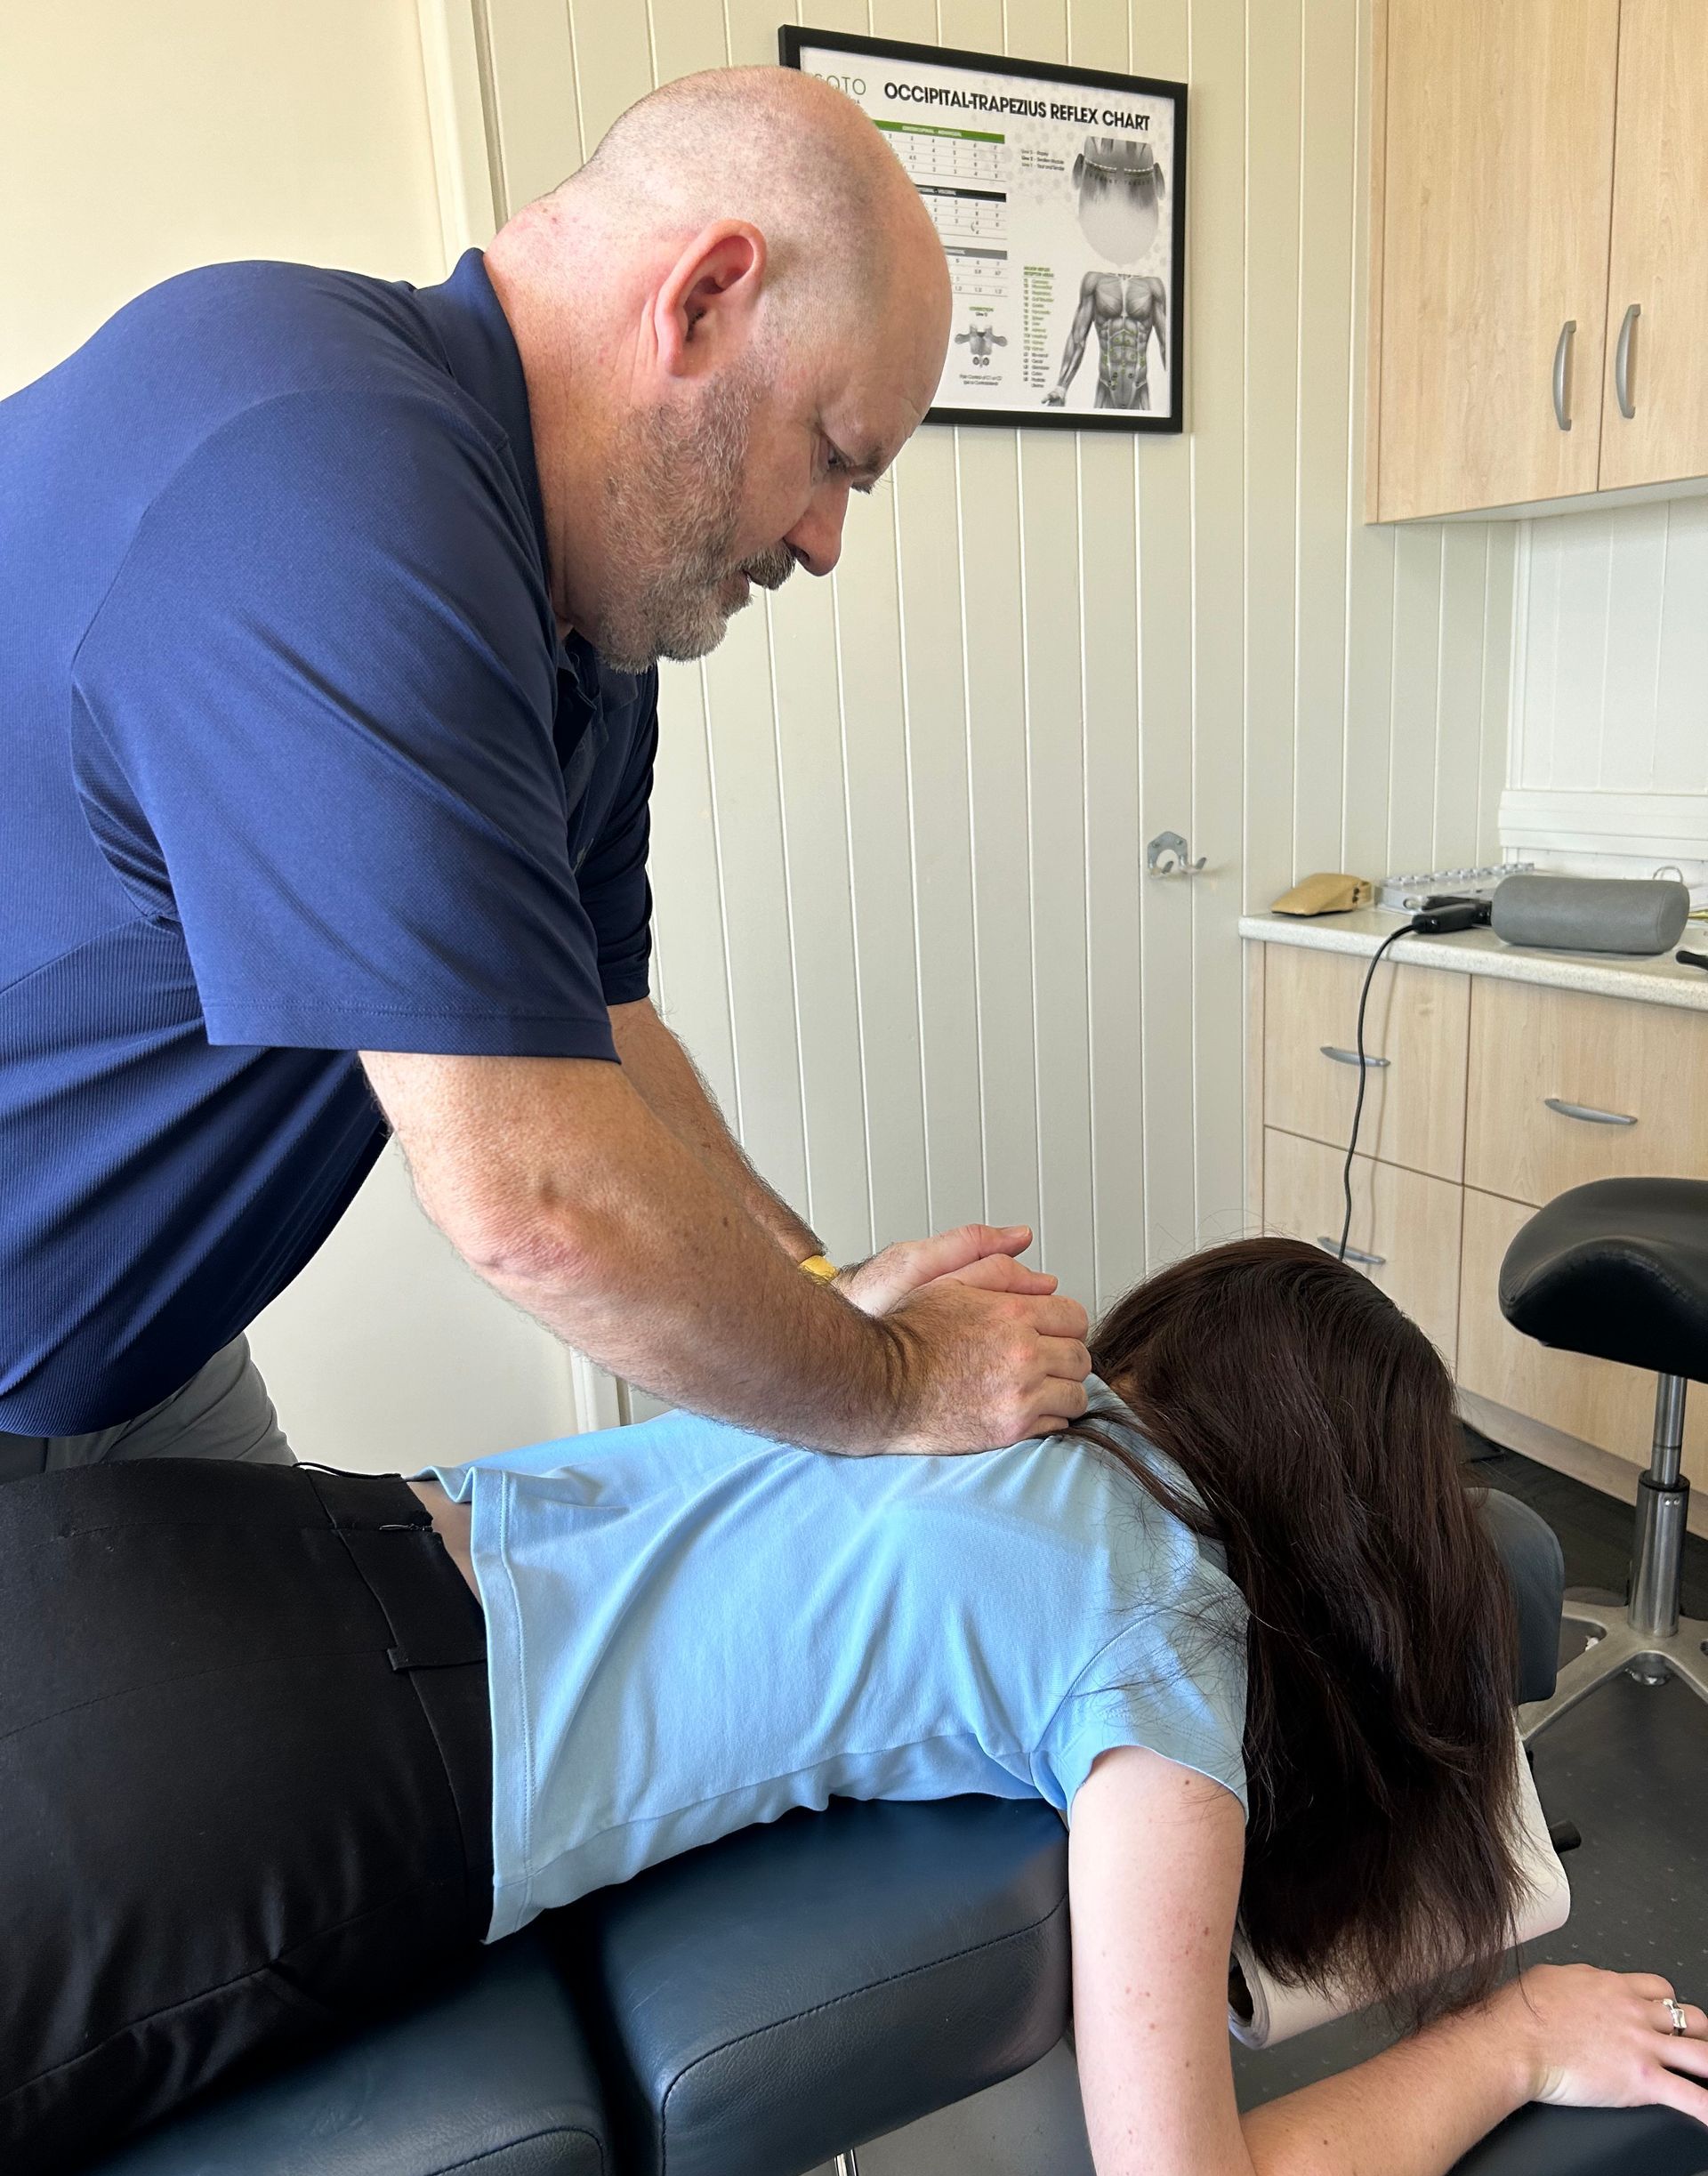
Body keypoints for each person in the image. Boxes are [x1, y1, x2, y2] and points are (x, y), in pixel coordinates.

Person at [4, 1236, 1703, 2176]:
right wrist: (1519, 2036)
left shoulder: (953, 1358)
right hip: (304, 1768)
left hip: (211, 1550)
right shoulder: (1167, 1647)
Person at [0, 63, 1089, 1483]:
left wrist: (816, 1288)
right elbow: (533, 1193)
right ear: (703, 299)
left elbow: (600, 1030)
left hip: (129, 1351)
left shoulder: (586, 625)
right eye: (832, 458)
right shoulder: (320, 472)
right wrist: (893, 1384)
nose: (823, 541)